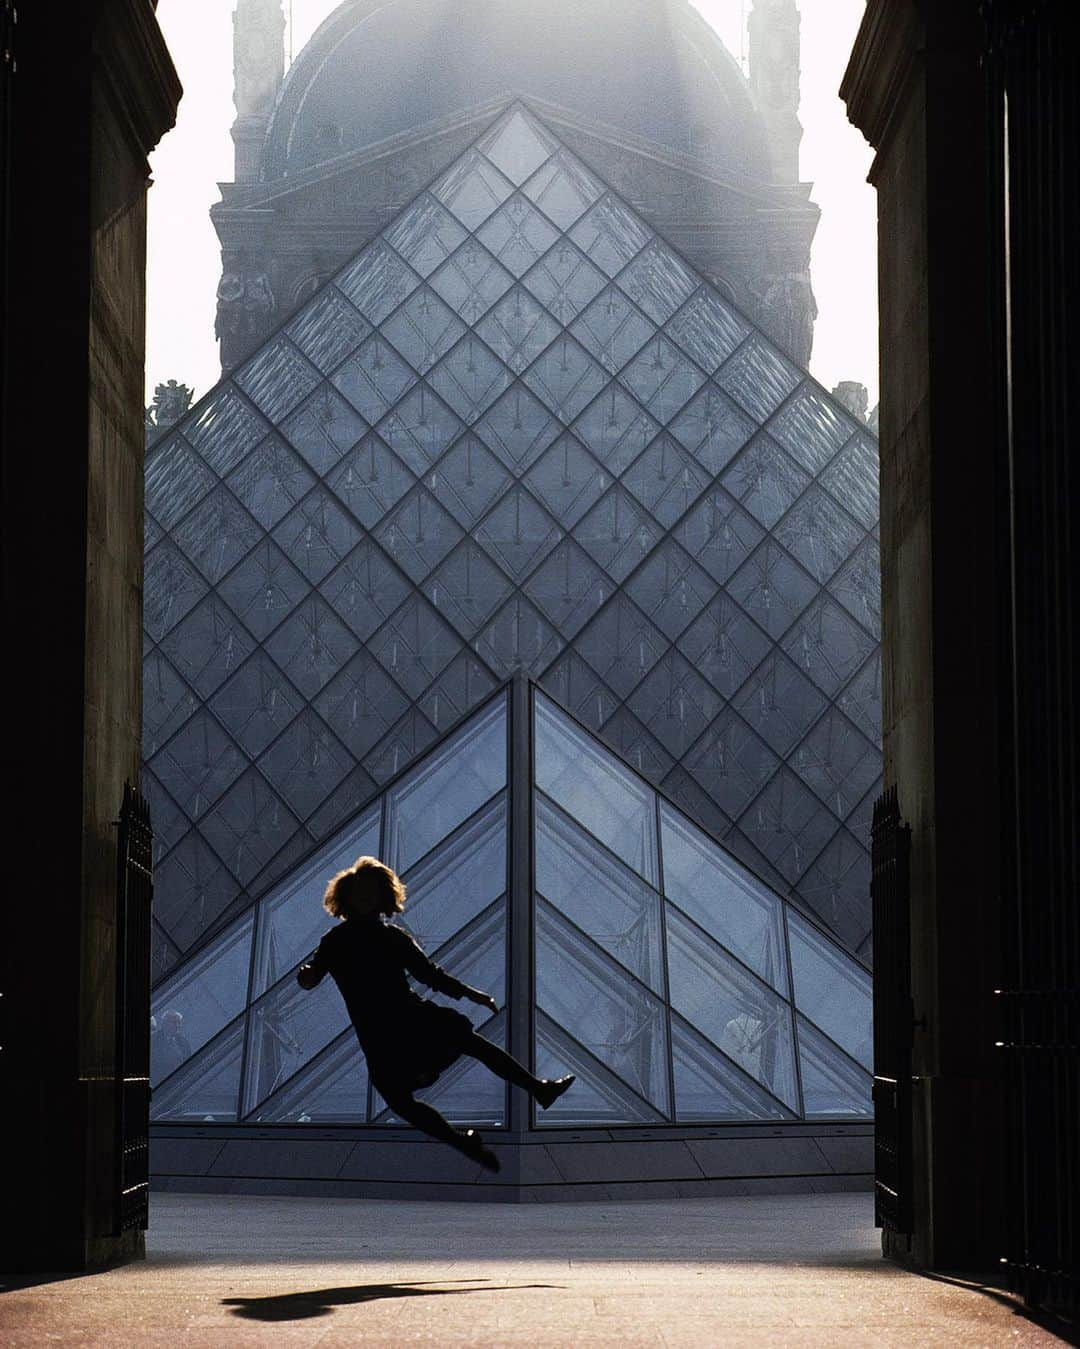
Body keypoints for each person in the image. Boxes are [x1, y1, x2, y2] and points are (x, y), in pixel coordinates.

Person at [297, 856, 574, 1173]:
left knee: (457, 1052)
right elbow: (312, 976)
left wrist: (472, 994)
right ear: (346, 896)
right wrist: (306, 974)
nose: (365, 897)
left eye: (371, 891)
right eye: (360, 891)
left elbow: (431, 975)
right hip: (381, 1033)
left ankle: (536, 1090)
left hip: (407, 1022)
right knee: (405, 1097)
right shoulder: (337, 941)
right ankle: (470, 1137)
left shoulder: (385, 938)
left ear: (382, 897)